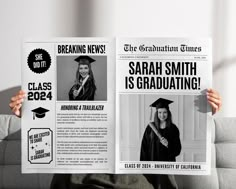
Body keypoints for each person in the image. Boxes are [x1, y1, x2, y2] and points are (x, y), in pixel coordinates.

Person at [9, 88, 222, 189]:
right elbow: (47, 143)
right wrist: (30, 117)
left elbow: (167, 161)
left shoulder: (157, 132)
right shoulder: (78, 131)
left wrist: (203, 111)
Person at [140, 98, 181, 189]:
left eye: (164, 112)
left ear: (168, 113)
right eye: (159, 112)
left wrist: (168, 145)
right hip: (152, 163)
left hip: (167, 165)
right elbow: (144, 147)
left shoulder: (173, 129)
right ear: (156, 113)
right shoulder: (150, 127)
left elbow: (177, 150)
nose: (162, 115)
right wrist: (143, 165)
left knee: (170, 186)